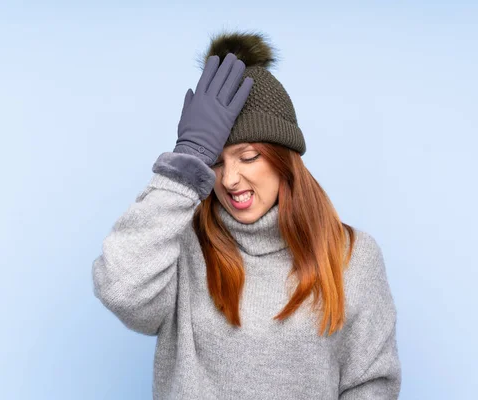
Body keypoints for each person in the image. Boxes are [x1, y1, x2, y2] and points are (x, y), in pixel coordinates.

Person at [92, 31, 401, 399]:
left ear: (283, 158)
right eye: (216, 161)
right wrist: (186, 163)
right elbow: (120, 289)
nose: (229, 178)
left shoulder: (353, 256)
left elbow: (371, 383)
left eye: (249, 156)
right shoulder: (181, 246)